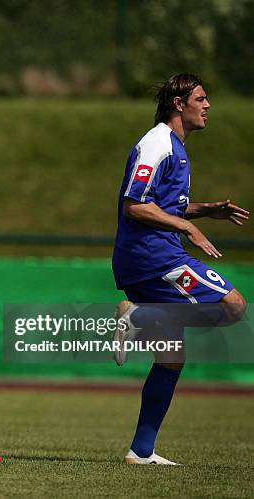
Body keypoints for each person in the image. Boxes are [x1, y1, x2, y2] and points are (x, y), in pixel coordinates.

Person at [112, 73, 248, 464]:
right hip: (154, 256)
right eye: (201, 99)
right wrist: (189, 227)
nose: (207, 106)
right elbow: (134, 205)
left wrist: (206, 210)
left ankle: (141, 451)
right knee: (233, 306)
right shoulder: (157, 144)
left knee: (171, 356)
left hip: (149, 255)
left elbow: (163, 204)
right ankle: (139, 316)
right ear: (178, 103)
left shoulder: (175, 147)